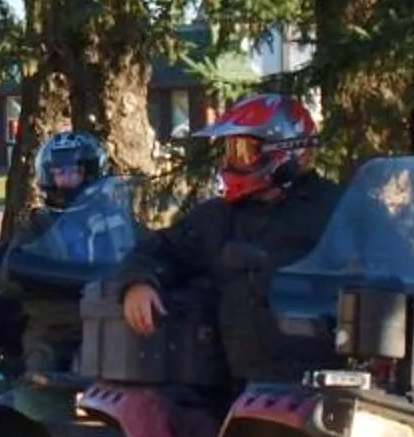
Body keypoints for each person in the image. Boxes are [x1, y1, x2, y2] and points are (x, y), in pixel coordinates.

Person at [114, 94, 340, 380]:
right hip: (247, 387)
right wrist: (138, 283)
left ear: (288, 151)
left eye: (244, 152)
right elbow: (159, 250)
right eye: (231, 151)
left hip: (331, 376)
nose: (232, 162)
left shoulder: (340, 209)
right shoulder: (220, 217)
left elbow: (392, 267)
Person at [6, 130, 110, 375]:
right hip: (54, 324)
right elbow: (14, 267)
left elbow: (144, 250)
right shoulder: (39, 224)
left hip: (107, 317)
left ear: (89, 173)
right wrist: (48, 275)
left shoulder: (111, 217)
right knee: (40, 377)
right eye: (61, 173)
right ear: (49, 176)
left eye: (74, 171)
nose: (67, 178)